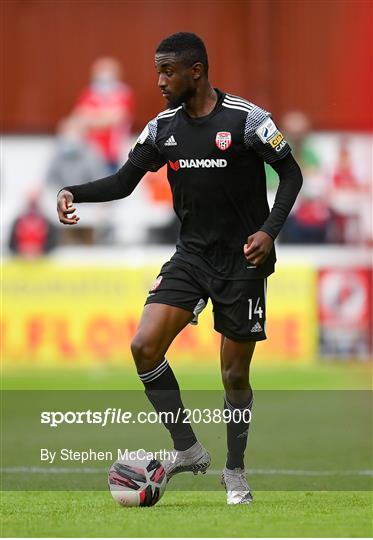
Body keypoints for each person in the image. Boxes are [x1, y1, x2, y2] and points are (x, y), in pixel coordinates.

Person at [57, 32, 303, 505]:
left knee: (233, 376)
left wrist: (269, 230)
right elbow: (125, 182)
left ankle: (235, 471)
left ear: (196, 71)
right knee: (144, 346)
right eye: (158, 70)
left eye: (168, 71)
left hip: (242, 260)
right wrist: (74, 191)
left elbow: (291, 173)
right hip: (190, 256)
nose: (160, 81)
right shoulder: (162, 129)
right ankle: (188, 449)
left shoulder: (248, 121)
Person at [73, 57, 135, 172]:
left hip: (113, 154)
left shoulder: (123, 93)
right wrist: (104, 117)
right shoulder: (88, 93)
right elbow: (80, 119)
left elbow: (117, 117)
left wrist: (93, 118)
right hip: (90, 152)